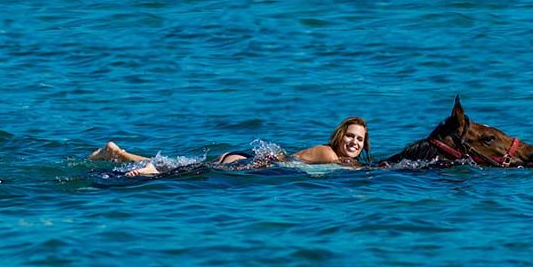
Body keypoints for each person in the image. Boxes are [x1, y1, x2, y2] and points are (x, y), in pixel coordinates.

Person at [88, 116, 371, 177]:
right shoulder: (328, 153)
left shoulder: (344, 161)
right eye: (350, 136)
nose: (354, 142)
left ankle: (118, 154)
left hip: (247, 158)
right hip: (256, 162)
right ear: (339, 136)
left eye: (359, 140)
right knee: (191, 172)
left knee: (182, 164)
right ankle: (151, 171)